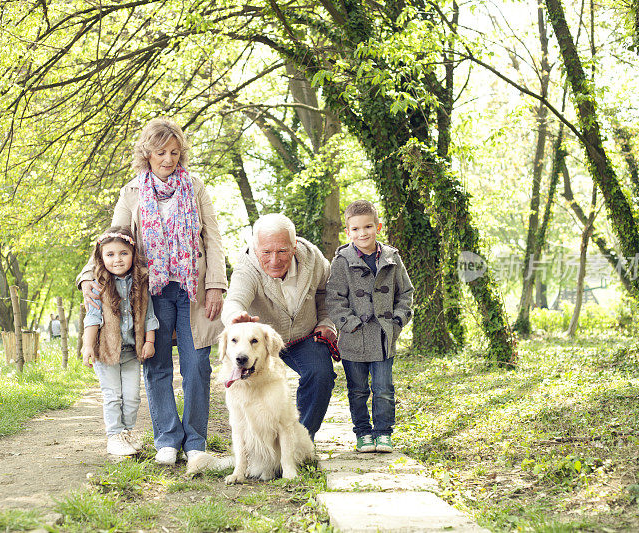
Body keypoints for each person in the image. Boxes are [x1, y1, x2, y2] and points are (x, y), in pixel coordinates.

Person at [77, 118, 227, 466]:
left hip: (193, 288)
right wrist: (88, 275)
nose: (168, 159)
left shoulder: (196, 186)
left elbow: (214, 238)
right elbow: (112, 237)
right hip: (151, 291)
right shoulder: (132, 191)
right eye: (161, 152)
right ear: (147, 153)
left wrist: (216, 284)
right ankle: (167, 440)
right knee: (156, 365)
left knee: (197, 365)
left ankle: (196, 442)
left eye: (175, 152)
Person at [221, 213, 337, 440]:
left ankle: (301, 441)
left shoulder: (314, 260)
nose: (274, 260)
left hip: (304, 336)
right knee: (257, 386)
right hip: (263, 342)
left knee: (321, 374)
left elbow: (328, 293)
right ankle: (262, 442)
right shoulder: (247, 267)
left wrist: (326, 321)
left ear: (294, 246)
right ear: (256, 248)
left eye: (282, 251)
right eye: (266, 252)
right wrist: (235, 316)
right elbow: (234, 299)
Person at [325, 200, 413, 453]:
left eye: (368, 227)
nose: (362, 233)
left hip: (384, 337)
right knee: (358, 390)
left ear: (378, 226)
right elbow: (334, 298)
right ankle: (363, 433)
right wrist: (349, 324)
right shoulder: (342, 261)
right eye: (355, 229)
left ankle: (383, 432)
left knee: (384, 388)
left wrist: (397, 320)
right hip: (354, 338)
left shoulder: (392, 258)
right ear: (347, 232)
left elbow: (405, 293)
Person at [81, 227, 160, 456]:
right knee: (113, 395)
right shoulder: (98, 285)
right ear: (101, 257)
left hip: (132, 352)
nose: (117, 260)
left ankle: (127, 432)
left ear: (133, 254)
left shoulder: (141, 282)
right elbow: (93, 318)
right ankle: (114, 435)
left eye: (123, 253)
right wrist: (88, 346)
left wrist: (150, 341)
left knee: (133, 397)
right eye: (110, 254)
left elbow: (149, 315)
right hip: (107, 352)